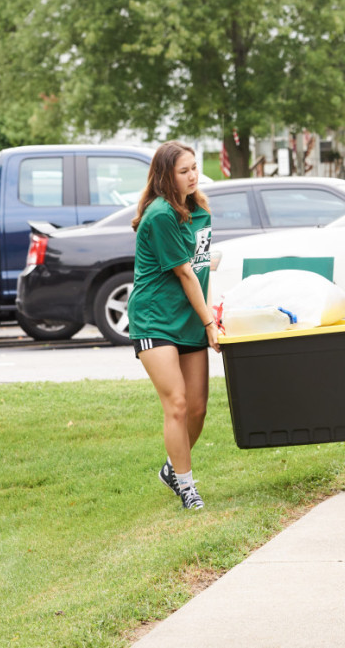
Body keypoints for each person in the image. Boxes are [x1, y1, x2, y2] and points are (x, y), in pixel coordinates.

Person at [128, 141, 220, 511]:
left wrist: (210, 314)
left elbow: (201, 267)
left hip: (188, 318)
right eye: (184, 171)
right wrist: (210, 322)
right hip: (155, 318)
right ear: (166, 176)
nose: (193, 175)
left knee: (198, 408)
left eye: (195, 168)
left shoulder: (199, 208)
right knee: (177, 404)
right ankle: (187, 485)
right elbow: (184, 272)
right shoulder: (161, 214)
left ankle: (171, 468)